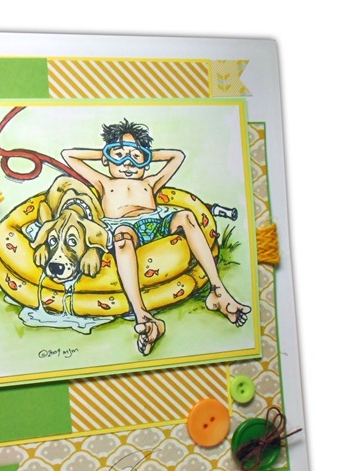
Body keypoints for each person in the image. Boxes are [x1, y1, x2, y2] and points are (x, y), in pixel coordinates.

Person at [61, 119, 251, 356]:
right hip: (124, 225)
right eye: (119, 156)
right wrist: (107, 152)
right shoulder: (104, 182)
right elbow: (69, 155)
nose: (128, 163)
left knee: (186, 216)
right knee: (121, 240)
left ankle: (218, 290)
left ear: (146, 160)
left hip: (157, 220)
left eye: (136, 157)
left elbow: (177, 157)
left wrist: (142, 152)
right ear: (107, 159)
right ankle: (143, 316)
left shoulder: (150, 183)